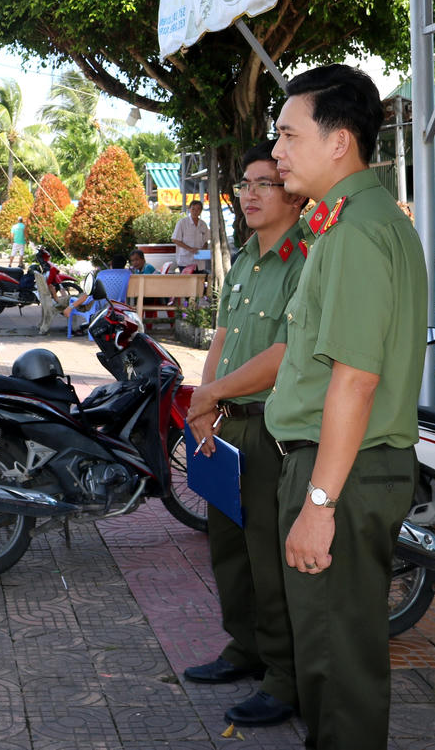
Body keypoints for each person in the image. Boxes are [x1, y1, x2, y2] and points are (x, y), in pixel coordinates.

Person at [265, 64, 425, 749]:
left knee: (339, 674)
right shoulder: (353, 221)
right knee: (330, 664)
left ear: (339, 142)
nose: (276, 152)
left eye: (288, 134)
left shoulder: (358, 229)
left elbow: (355, 381)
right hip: (345, 467)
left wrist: (320, 504)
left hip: (343, 472)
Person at [181, 140, 310, 728]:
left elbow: (286, 354)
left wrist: (214, 396)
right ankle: (246, 648)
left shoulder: (306, 259)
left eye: (265, 182)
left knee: (268, 556)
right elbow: (223, 340)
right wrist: (204, 401)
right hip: (227, 426)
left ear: (292, 191)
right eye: (245, 185)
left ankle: (285, 678)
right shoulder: (246, 262)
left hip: (271, 429)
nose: (251, 194)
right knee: (228, 548)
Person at [61, 254, 131, 323]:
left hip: (97, 305)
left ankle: (56, 302)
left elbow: (87, 296)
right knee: (68, 299)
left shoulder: (102, 275)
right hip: (117, 306)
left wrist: (70, 307)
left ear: (111, 265)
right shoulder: (128, 275)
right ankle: (57, 302)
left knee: (69, 299)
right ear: (124, 265)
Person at [172, 199, 209, 270]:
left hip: (200, 260)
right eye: (193, 209)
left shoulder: (203, 224)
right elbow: (175, 239)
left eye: (198, 209)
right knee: (187, 280)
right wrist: (190, 249)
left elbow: (206, 241)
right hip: (185, 260)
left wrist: (202, 250)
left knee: (200, 280)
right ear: (189, 209)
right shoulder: (182, 222)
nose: (195, 211)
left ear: (201, 211)